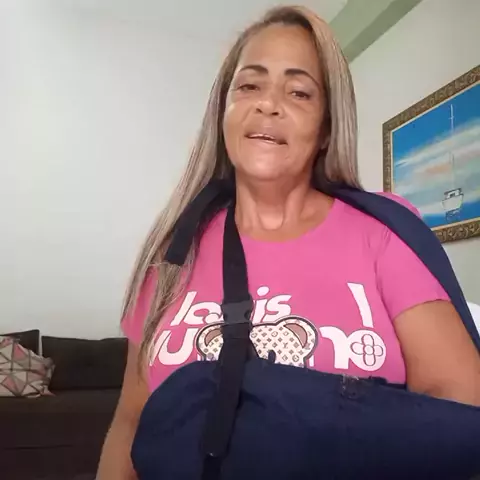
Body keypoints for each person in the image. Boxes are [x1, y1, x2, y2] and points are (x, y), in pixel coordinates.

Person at [96, 5, 480, 479]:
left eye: (298, 92)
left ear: (325, 129)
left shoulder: (385, 232)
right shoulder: (173, 254)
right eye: (249, 86)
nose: (268, 104)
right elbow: (131, 422)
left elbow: (459, 413)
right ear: (223, 112)